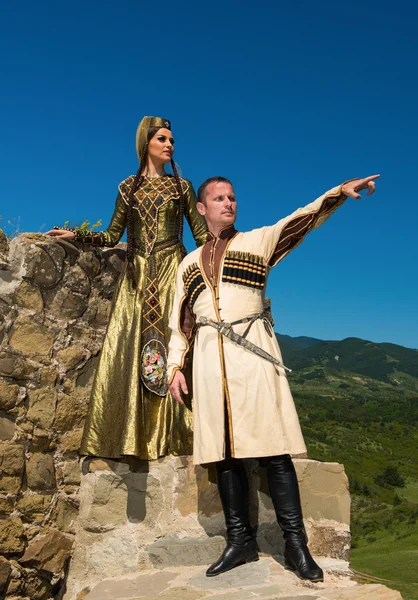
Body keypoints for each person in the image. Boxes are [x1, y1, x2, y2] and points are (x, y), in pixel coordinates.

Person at [167, 174, 379, 580]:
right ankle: (240, 542)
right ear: (201, 208)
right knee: (224, 456)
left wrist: (336, 195)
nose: (228, 203)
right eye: (219, 198)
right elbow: (182, 322)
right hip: (210, 361)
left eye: (232, 197)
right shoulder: (188, 265)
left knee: (273, 451)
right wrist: (176, 365)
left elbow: (298, 221)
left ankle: (296, 546)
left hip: (252, 354)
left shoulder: (257, 241)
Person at [47, 116, 207, 459]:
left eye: (172, 140)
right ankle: (130, 438)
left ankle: (178, 437)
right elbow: (112, 235)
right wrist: (76, 234)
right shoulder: (127, 188)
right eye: (162, 139)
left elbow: (202, 235)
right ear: (145, 144)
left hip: (171, 273)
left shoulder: (182, 188)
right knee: (129, 350)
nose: (170, 145)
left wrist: (228, 251)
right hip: (136, 279)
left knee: (176, 346)